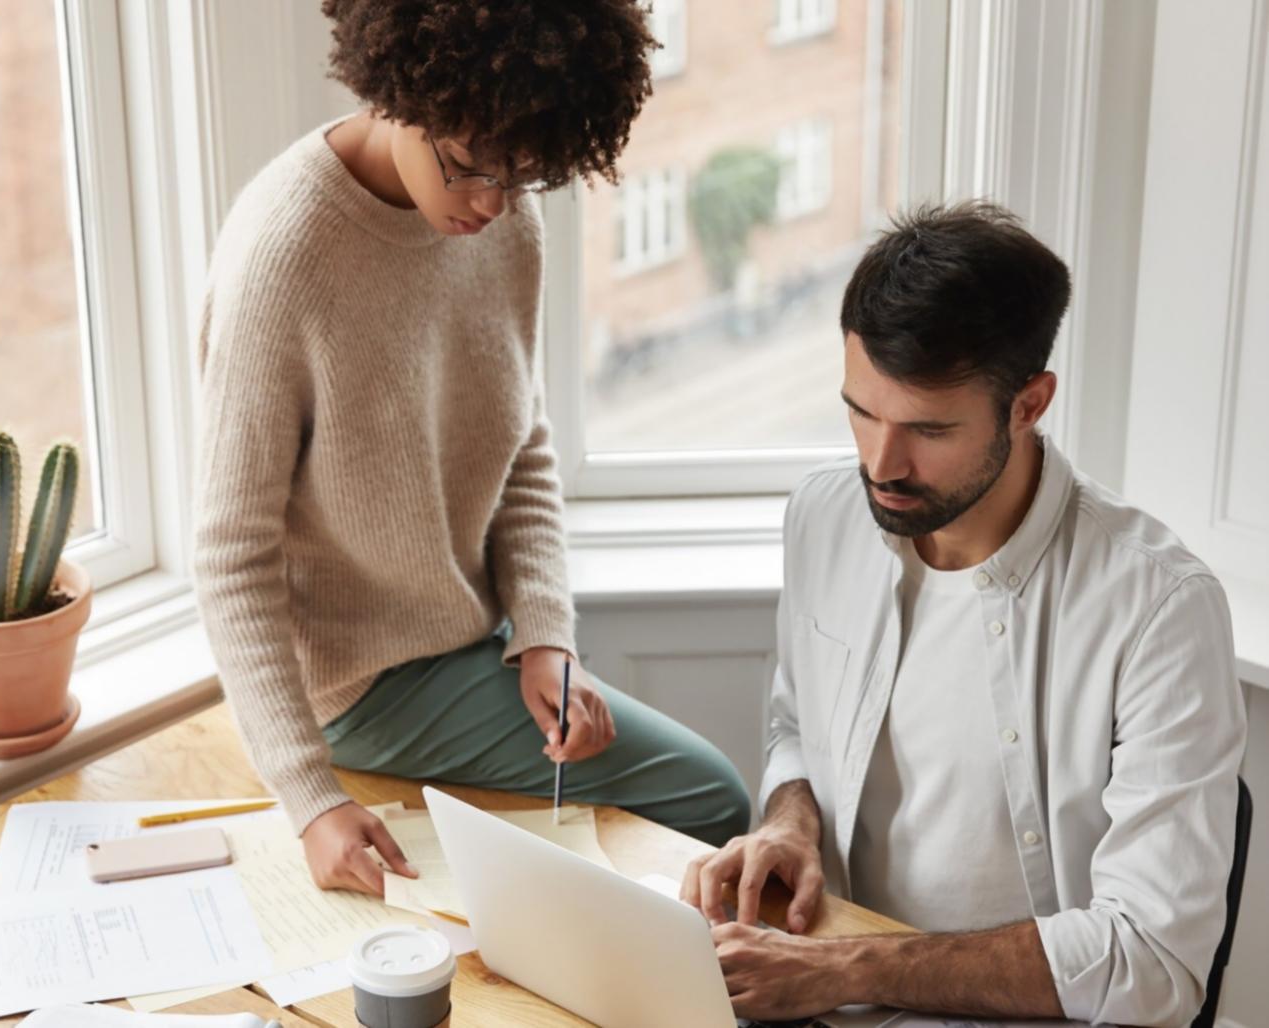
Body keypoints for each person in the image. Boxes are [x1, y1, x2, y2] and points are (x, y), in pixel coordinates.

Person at [193, 0, 751, 899]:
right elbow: (229, 555)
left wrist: (544, 635)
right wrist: (309, 800)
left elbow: (521, 443)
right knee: (710, 795)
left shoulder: (500, 216)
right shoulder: (283, 256)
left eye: (524, 178)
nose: (491, 204)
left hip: (471, 633)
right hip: (361, 681)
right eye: (467, 170)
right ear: (397, 93)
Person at [682, 201, 1247, 1026]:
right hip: (823, 989)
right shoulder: (823, 516)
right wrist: (789, 824)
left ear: (1028, 404)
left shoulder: (1159, 607)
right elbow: (796, 728)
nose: (880, 463)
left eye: (927, 429)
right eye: (861, 411)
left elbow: (1150, 961)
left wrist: (846, 969)